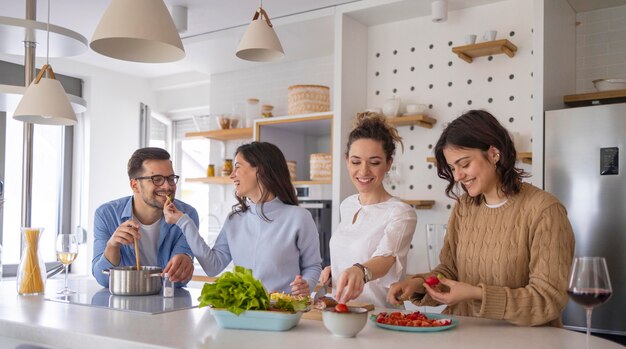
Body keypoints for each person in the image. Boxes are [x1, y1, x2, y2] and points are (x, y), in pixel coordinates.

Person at [387, 110, 575, 327]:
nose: (457, 176)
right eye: (452, 167)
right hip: (464, 340)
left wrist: (477, 294)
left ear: (494, 153)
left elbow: (548, 299)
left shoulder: (544, 211)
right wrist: (419, 284)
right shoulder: (464, 207)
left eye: (464, 164)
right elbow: (450, 270)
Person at [163, 141, 321, 295]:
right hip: (244, 312)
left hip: (284, 312)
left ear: (260, 170)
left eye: (237, 167)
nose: (232, 175)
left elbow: (313, 266)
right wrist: (183, 221)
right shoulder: (235, 219)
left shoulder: (299, 217)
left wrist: (306, 284)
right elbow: (213, 267)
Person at [319, 112, 417, 307]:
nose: (363, 171)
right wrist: (335, 270)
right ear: (347, 161)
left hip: (380, 317)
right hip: (343, 314)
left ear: (388, 163)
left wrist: (358, 271)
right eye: (356, 162)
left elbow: (384, 259)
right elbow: (352, 250)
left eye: (374, 163)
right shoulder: (347, 205)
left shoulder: (401, 213)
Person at [92, 147, 199, 287]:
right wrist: (112, 246)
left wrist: (185, 260)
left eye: (171, 178)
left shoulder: (187, 215)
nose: (167, 186)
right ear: (135, 185)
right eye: (157, 179)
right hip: (123, 304)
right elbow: (103, 279)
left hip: (169, 305)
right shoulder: (106, 215)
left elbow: (177, 282)